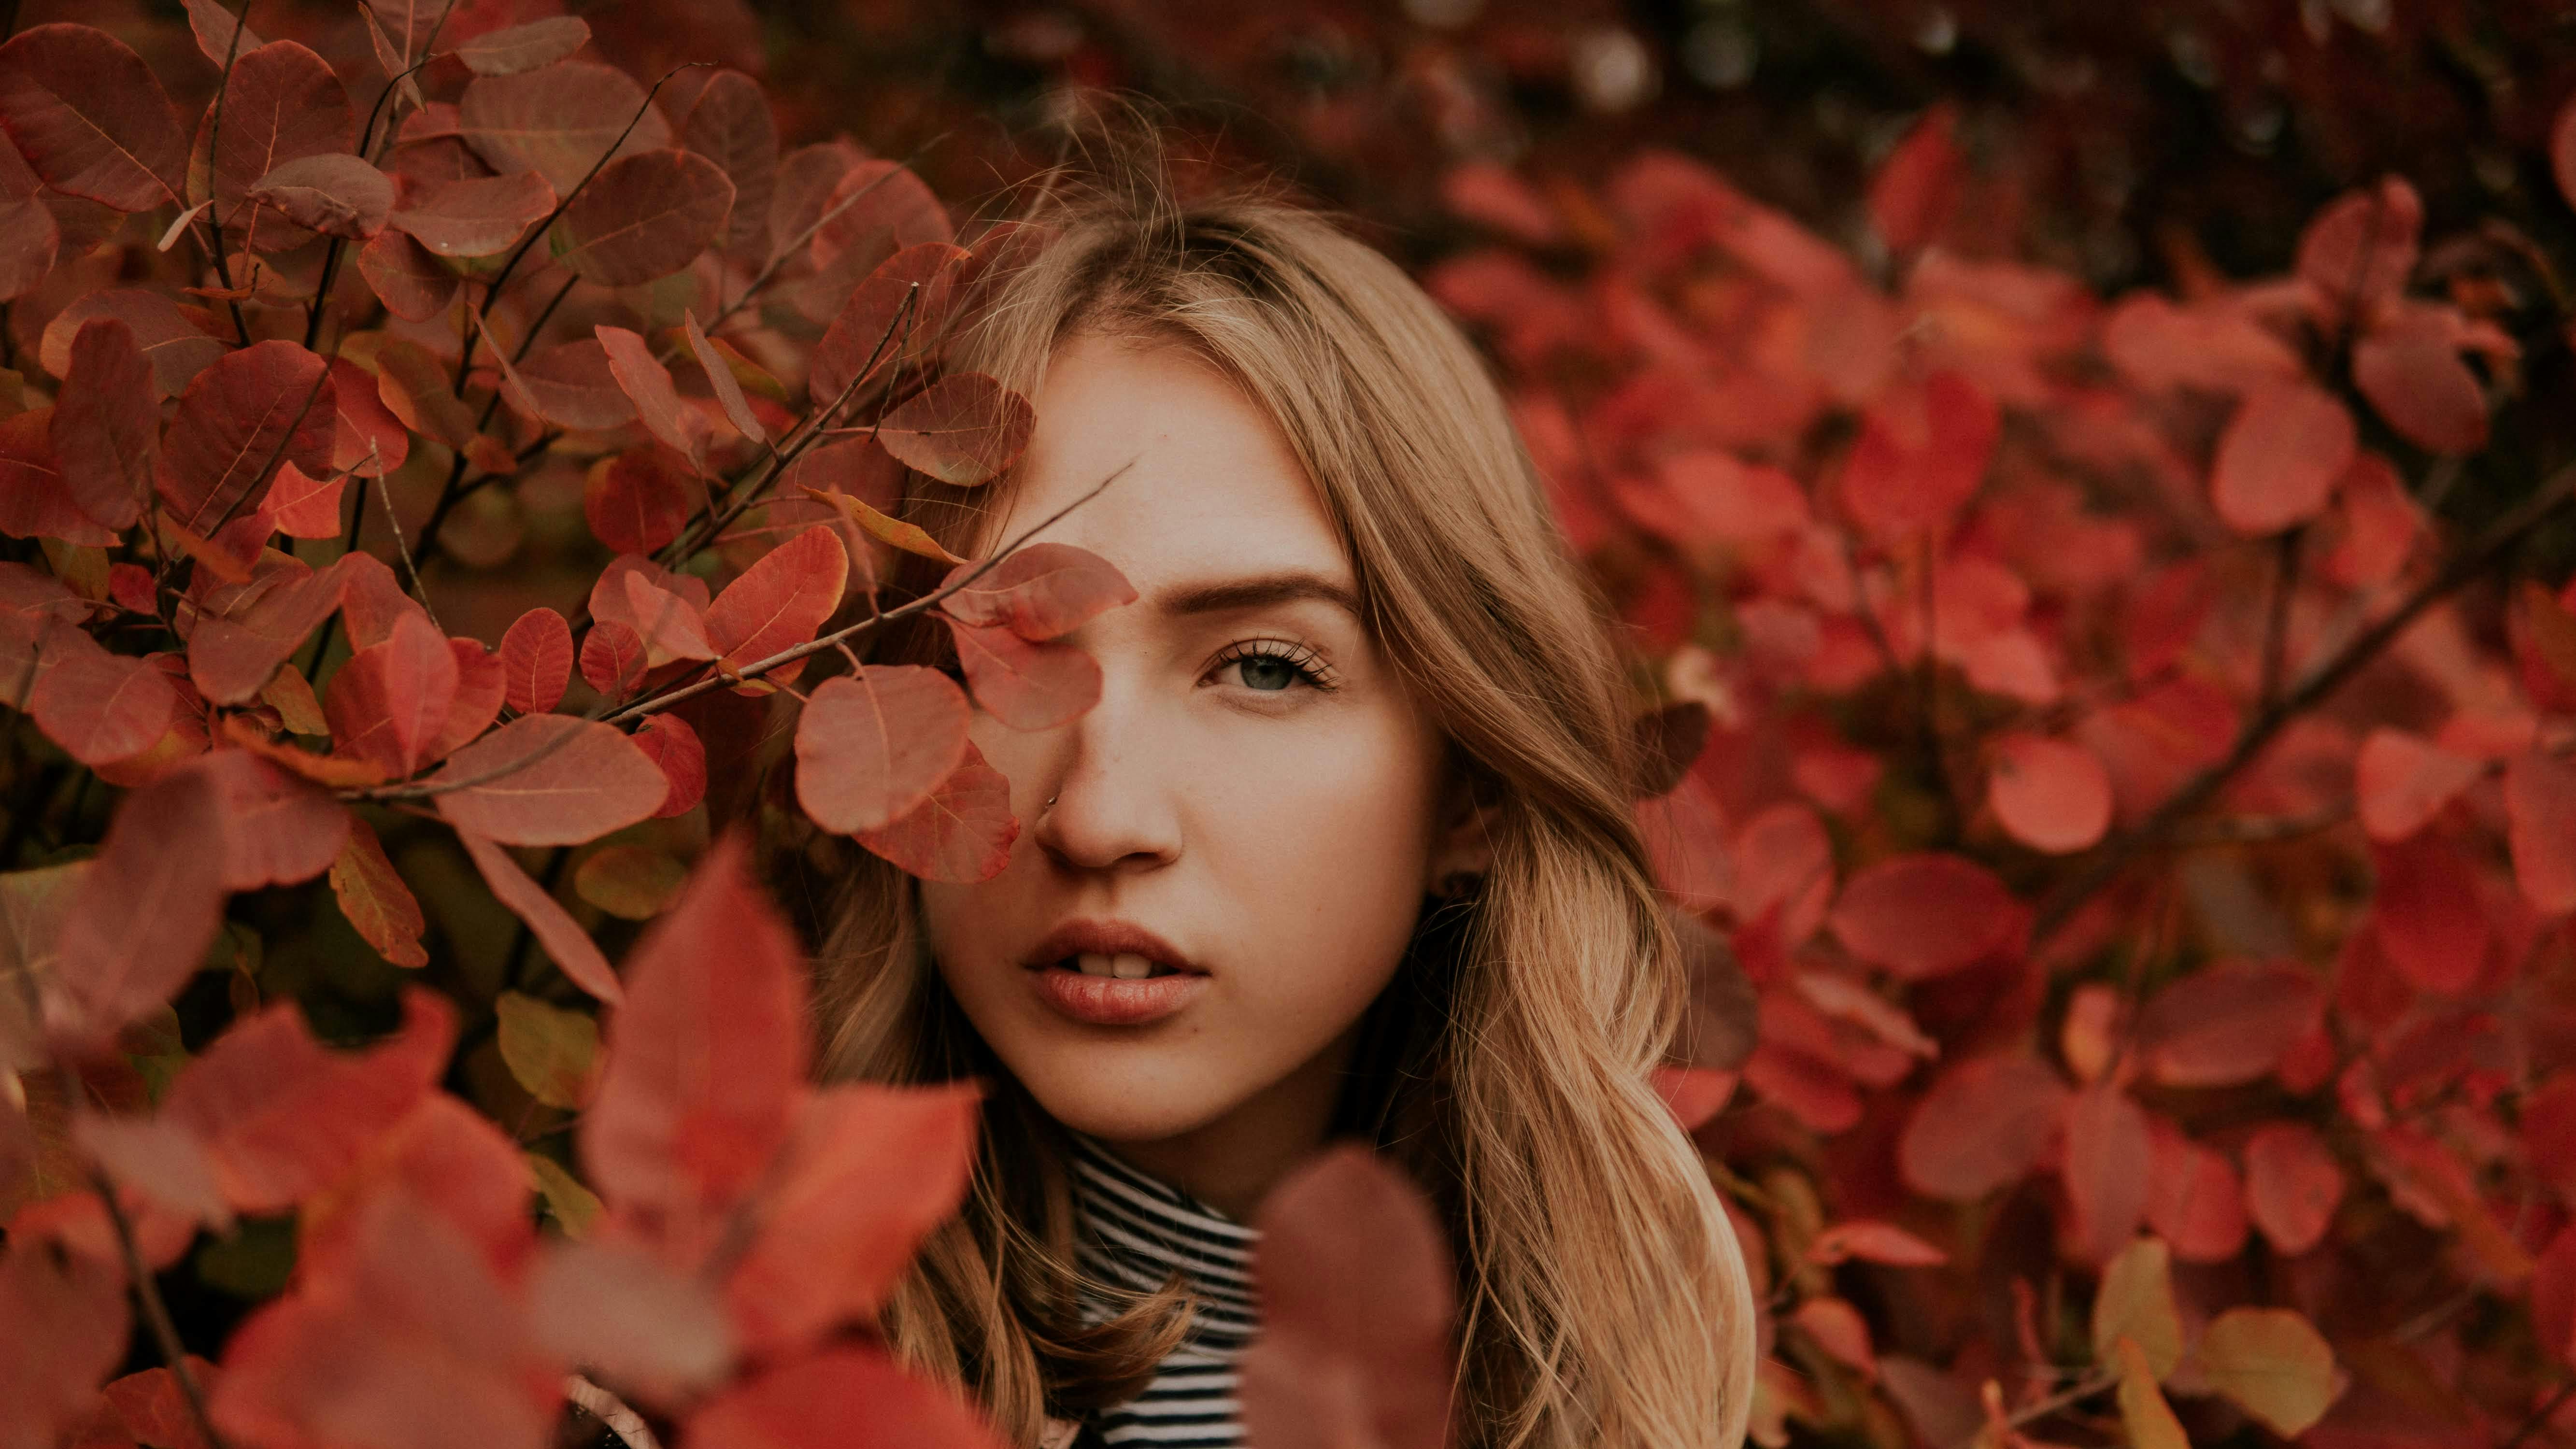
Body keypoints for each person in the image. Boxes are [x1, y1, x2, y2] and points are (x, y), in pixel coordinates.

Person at [804, 142, 1756, 1449]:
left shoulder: (1625, 1398)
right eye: (1003, 656)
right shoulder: (655, 1386)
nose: (1101, 818)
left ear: (1471, 782)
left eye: (1261, 666)